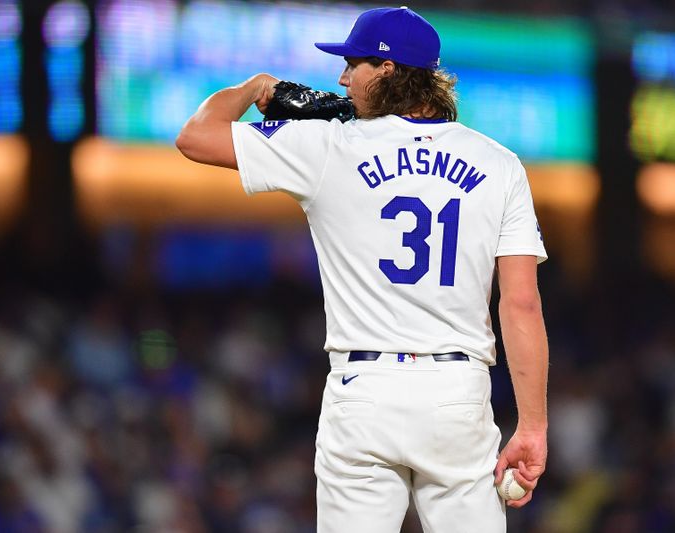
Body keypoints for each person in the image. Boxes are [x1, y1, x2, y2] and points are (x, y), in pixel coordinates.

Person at [176, 6, 549, 532]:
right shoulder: (499, 164)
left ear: (389, 70)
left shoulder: (330, 146)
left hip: (364, 389)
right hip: (457, 393)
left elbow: (195, 135)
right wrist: (532, 425)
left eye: (354, 64)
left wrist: (257, 88)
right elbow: (521, 303)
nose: (341, 78)